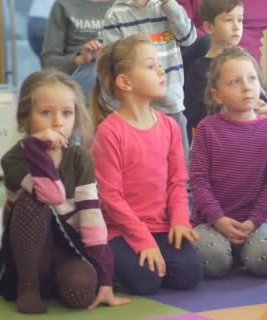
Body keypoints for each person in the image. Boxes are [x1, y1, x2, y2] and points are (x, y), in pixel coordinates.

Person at [0, 70, 129, 314]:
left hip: (67, 249)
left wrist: (105, 280)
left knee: (80, 293)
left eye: (67, 113)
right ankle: (29, 287)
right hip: (28, 258)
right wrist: (35, 146)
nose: (58, 122)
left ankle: (54, 284)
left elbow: (91, 218)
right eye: (46, 113)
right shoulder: (14, 158)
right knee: (33, 201)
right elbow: (51, 194)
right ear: (27, 117)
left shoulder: (79, 157)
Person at [184, 0, 267, 223]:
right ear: (209, 27)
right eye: (228, 20)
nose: (237, 26)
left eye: (240, 20)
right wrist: (234, 107)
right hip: (228, 132)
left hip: (262, 126)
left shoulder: (245, 60)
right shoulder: (201, 68)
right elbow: (197, 116)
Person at [90, 34, 203, 295]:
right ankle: (102, 259)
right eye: (151, 66)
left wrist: (179, 220)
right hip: (121, 230)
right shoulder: (110, 132)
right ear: (125, 82)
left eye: (159, 64)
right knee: (146, 282)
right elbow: (111, 197)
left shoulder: (170, 126)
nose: (161, 71)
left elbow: (177, 182)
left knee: (190, 275)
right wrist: (143, 241)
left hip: (162, 227)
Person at [190, 45, 267, 278]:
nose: (247, 87)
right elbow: (199, 181)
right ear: (217, 94)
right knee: (213, 262)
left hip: (252, 224)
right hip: (211, 222)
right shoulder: (207, 128)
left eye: (252, 79)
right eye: (235, 82)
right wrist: (219, 219)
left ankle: (247, 249)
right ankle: (233, 253)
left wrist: (254, 221)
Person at [102, 0, 197, 157]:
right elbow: (112, 64)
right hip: (137, 112)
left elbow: (189, 38)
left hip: (172, 106)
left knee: (180, 171)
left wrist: (169, 5)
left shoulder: (168, 7)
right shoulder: (116, 14)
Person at [41, 0, 115, 102]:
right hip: (82, 75)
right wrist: (81, 59)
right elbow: (48, 64)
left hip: (117, 70)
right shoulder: (63, 5)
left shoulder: (125, 6)